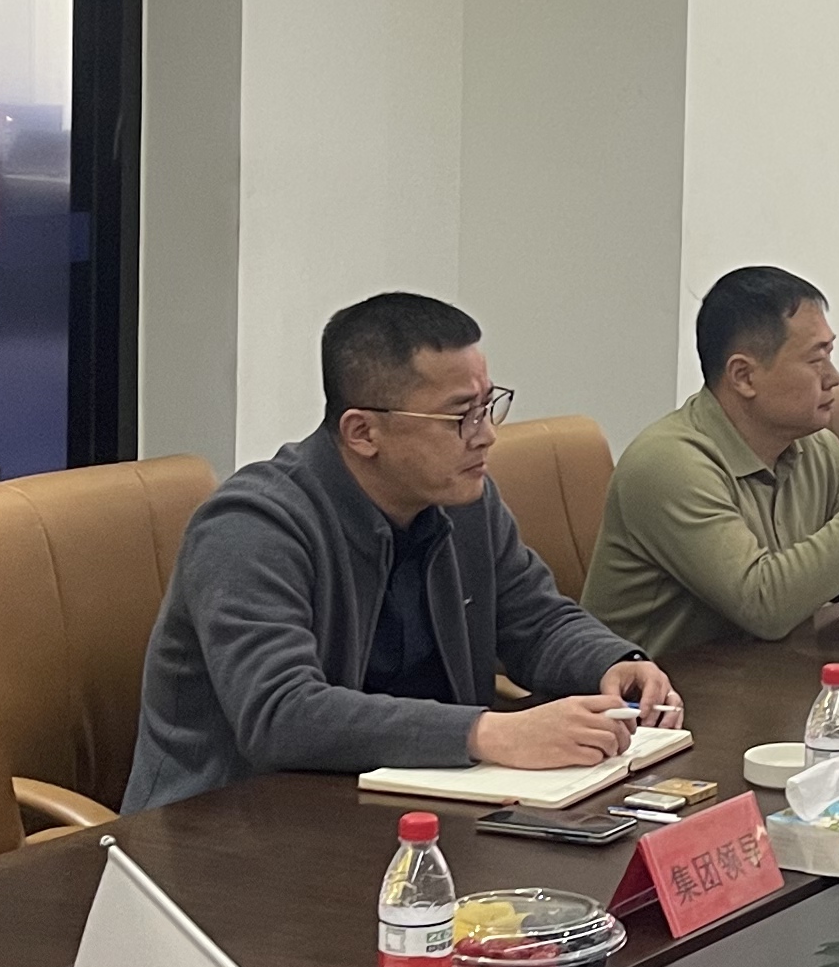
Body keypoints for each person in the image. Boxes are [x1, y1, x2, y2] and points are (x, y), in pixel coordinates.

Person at [123, 291, 672, 815]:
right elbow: (281, 713)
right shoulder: (252, 527)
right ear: (363, 432)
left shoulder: (464, 503)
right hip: (228, 828)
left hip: (414, 804)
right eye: (460, 417)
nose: (485, 436)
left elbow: (536, 620)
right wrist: (487, 732)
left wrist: (614, 663)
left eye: (487, 406)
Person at [585, 265, 839, 661]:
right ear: (744, 376)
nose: (834, 378)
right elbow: (764, 605)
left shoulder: (815, 447)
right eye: (816, 360)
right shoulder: (670, 463)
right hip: (658, 689)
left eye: (830, 355)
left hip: (760, 676)